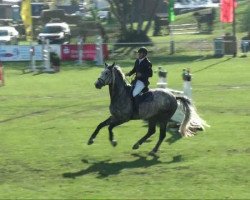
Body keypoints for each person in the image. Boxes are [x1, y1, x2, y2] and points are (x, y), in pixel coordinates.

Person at [126, 47, 153, 114]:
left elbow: (150, 74)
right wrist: (129, 73)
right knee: (128, 90)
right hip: (136, 80)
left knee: (135, 93)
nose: (138, 54)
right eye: (138, 53)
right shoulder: (137, 61)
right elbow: (134, 69)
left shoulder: (148, 63)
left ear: (144, 54)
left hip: (143, 82)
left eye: (140, 53)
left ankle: (138, 110)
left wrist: (141, 75)